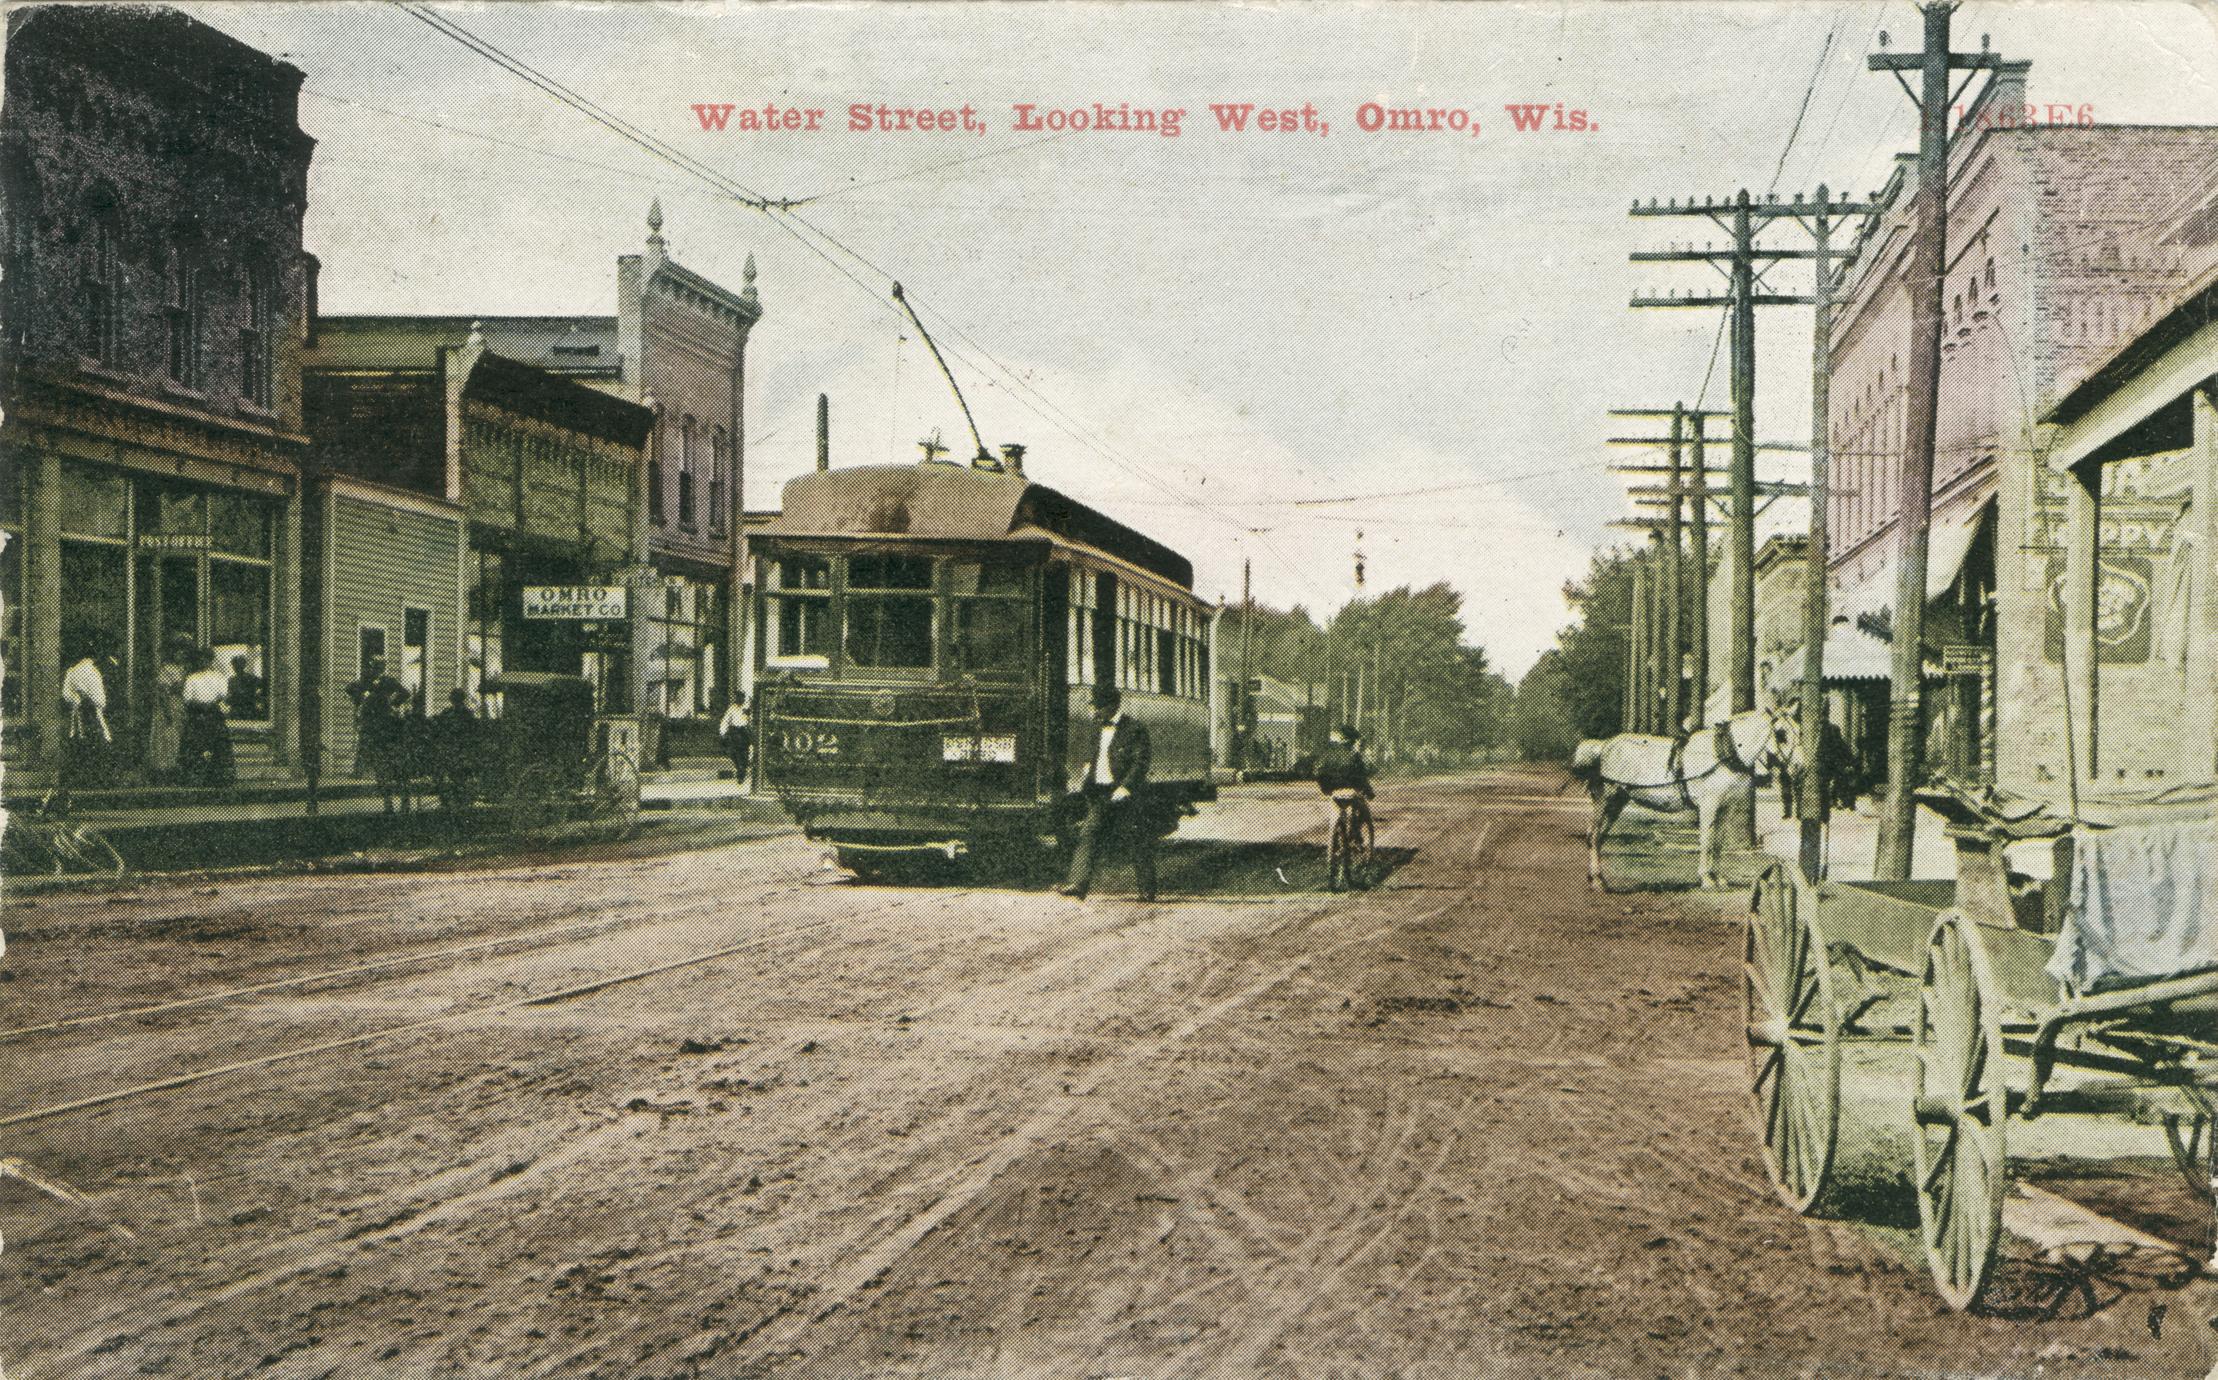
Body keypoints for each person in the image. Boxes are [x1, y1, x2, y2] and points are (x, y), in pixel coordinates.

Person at [1058, 686, 1157, 902]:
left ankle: (1147, 889)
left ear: (1111, 706)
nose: (1094, 711)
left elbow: (1140, 762)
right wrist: (1087, 767)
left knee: (1136, 838)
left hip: (1125, 794)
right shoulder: (1095, 726)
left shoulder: (1134, 729)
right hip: (1100, 792)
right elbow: (1091, 753)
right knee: (1088, 834)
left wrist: (1126, 787)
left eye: (1097, 707)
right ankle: (1078, 883)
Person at [52, 640, 116, 810]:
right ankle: (95, 784)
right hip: (91, 714)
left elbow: (66, 695)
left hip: (77, 713)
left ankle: (74, 785)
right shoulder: (92, 672)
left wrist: (77, 700)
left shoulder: (72, 671)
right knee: (99, 743)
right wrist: (89, 700)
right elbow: (100, 700)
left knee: (78, 743)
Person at [346, 656, 412, 809]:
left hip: (383, 724)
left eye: (379, 666)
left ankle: (402, 798)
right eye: (375, 666)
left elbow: (405, 693)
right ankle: (361, 770)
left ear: (382, 668)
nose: (376, 669)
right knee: (375, 757)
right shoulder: (366, 681)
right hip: (371, 723)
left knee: (387, 760)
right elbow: (349, 689)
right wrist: (360, 698)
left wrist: (393, 703)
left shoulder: (388, 681)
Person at [1314, 723, 1375, 849]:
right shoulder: (1354, 755)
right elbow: (1361, 777)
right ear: (1351, 741)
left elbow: (1318, 771)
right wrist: (1369, 792)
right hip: (1351, 792)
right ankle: (1357, 837)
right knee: (1363, 811)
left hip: (1333, 791)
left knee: (1335, 812)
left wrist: (1325, 788)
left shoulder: (1327, 754)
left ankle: (1336, 836)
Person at [179, 648, 234, 787]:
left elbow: (225, 696)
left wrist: (213, 704)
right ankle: (196, 777)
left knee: (217, 745)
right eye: (202, 659)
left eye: (207, 659)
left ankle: (217, 776)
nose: (204, 662)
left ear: (211, 660)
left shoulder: (219, 677)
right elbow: (187, 699)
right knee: (197, 745)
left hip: (211, 713)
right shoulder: (192, 678)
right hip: (198, 713)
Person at [144, 638, 188, 784]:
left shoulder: (183, 669)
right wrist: (167, 711)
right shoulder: (166, 669)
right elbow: (162, 691)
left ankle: (172, 768)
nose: (181, 654)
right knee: (165, 738)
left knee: (175, 738)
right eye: (178, 651)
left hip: (179, 705)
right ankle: (163, 771)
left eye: (183, 651)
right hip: (168, 706)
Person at [429, 688, 481, 812]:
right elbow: (437, 724)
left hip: (458, 749)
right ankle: (448, 800)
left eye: (456, 698)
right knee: (445, 775)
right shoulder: (449, 712)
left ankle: (458, 801)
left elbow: (471, 732)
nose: (454, 701)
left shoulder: (466, 714)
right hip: (449, 749)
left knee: (457, 776)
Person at [718, 691, 753, 787]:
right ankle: (739, 768)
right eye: (738, 698)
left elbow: (751, 720)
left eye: (742, 698)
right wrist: (723, 732)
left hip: (744, 732)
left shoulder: (746, 708)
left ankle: (742, 773)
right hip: (734, 732)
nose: (740, 699)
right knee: (733, 753)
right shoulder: (732, 708)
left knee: (744, 754)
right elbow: (725, 720)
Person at [227, 654, 265, 721]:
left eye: (239, 665)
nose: (237, 667)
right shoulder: (232, 680)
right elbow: (229, 696)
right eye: (235, 665)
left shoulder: (252, 678)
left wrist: (257, 696)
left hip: (248, 709)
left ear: (244, 665)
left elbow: (263, 687)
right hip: (238, 710)